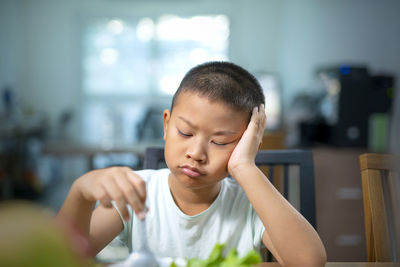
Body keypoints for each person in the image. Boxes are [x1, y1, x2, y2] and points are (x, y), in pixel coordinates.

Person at [57, 61, 327, 266]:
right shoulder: (136, 192)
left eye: (221, 142)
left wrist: (246, 167)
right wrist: (80, 192)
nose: (196, 152)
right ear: (166, 124)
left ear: (247, 143)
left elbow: (309, 261)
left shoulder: (250, 205)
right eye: (185, 133)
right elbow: (60, 257)